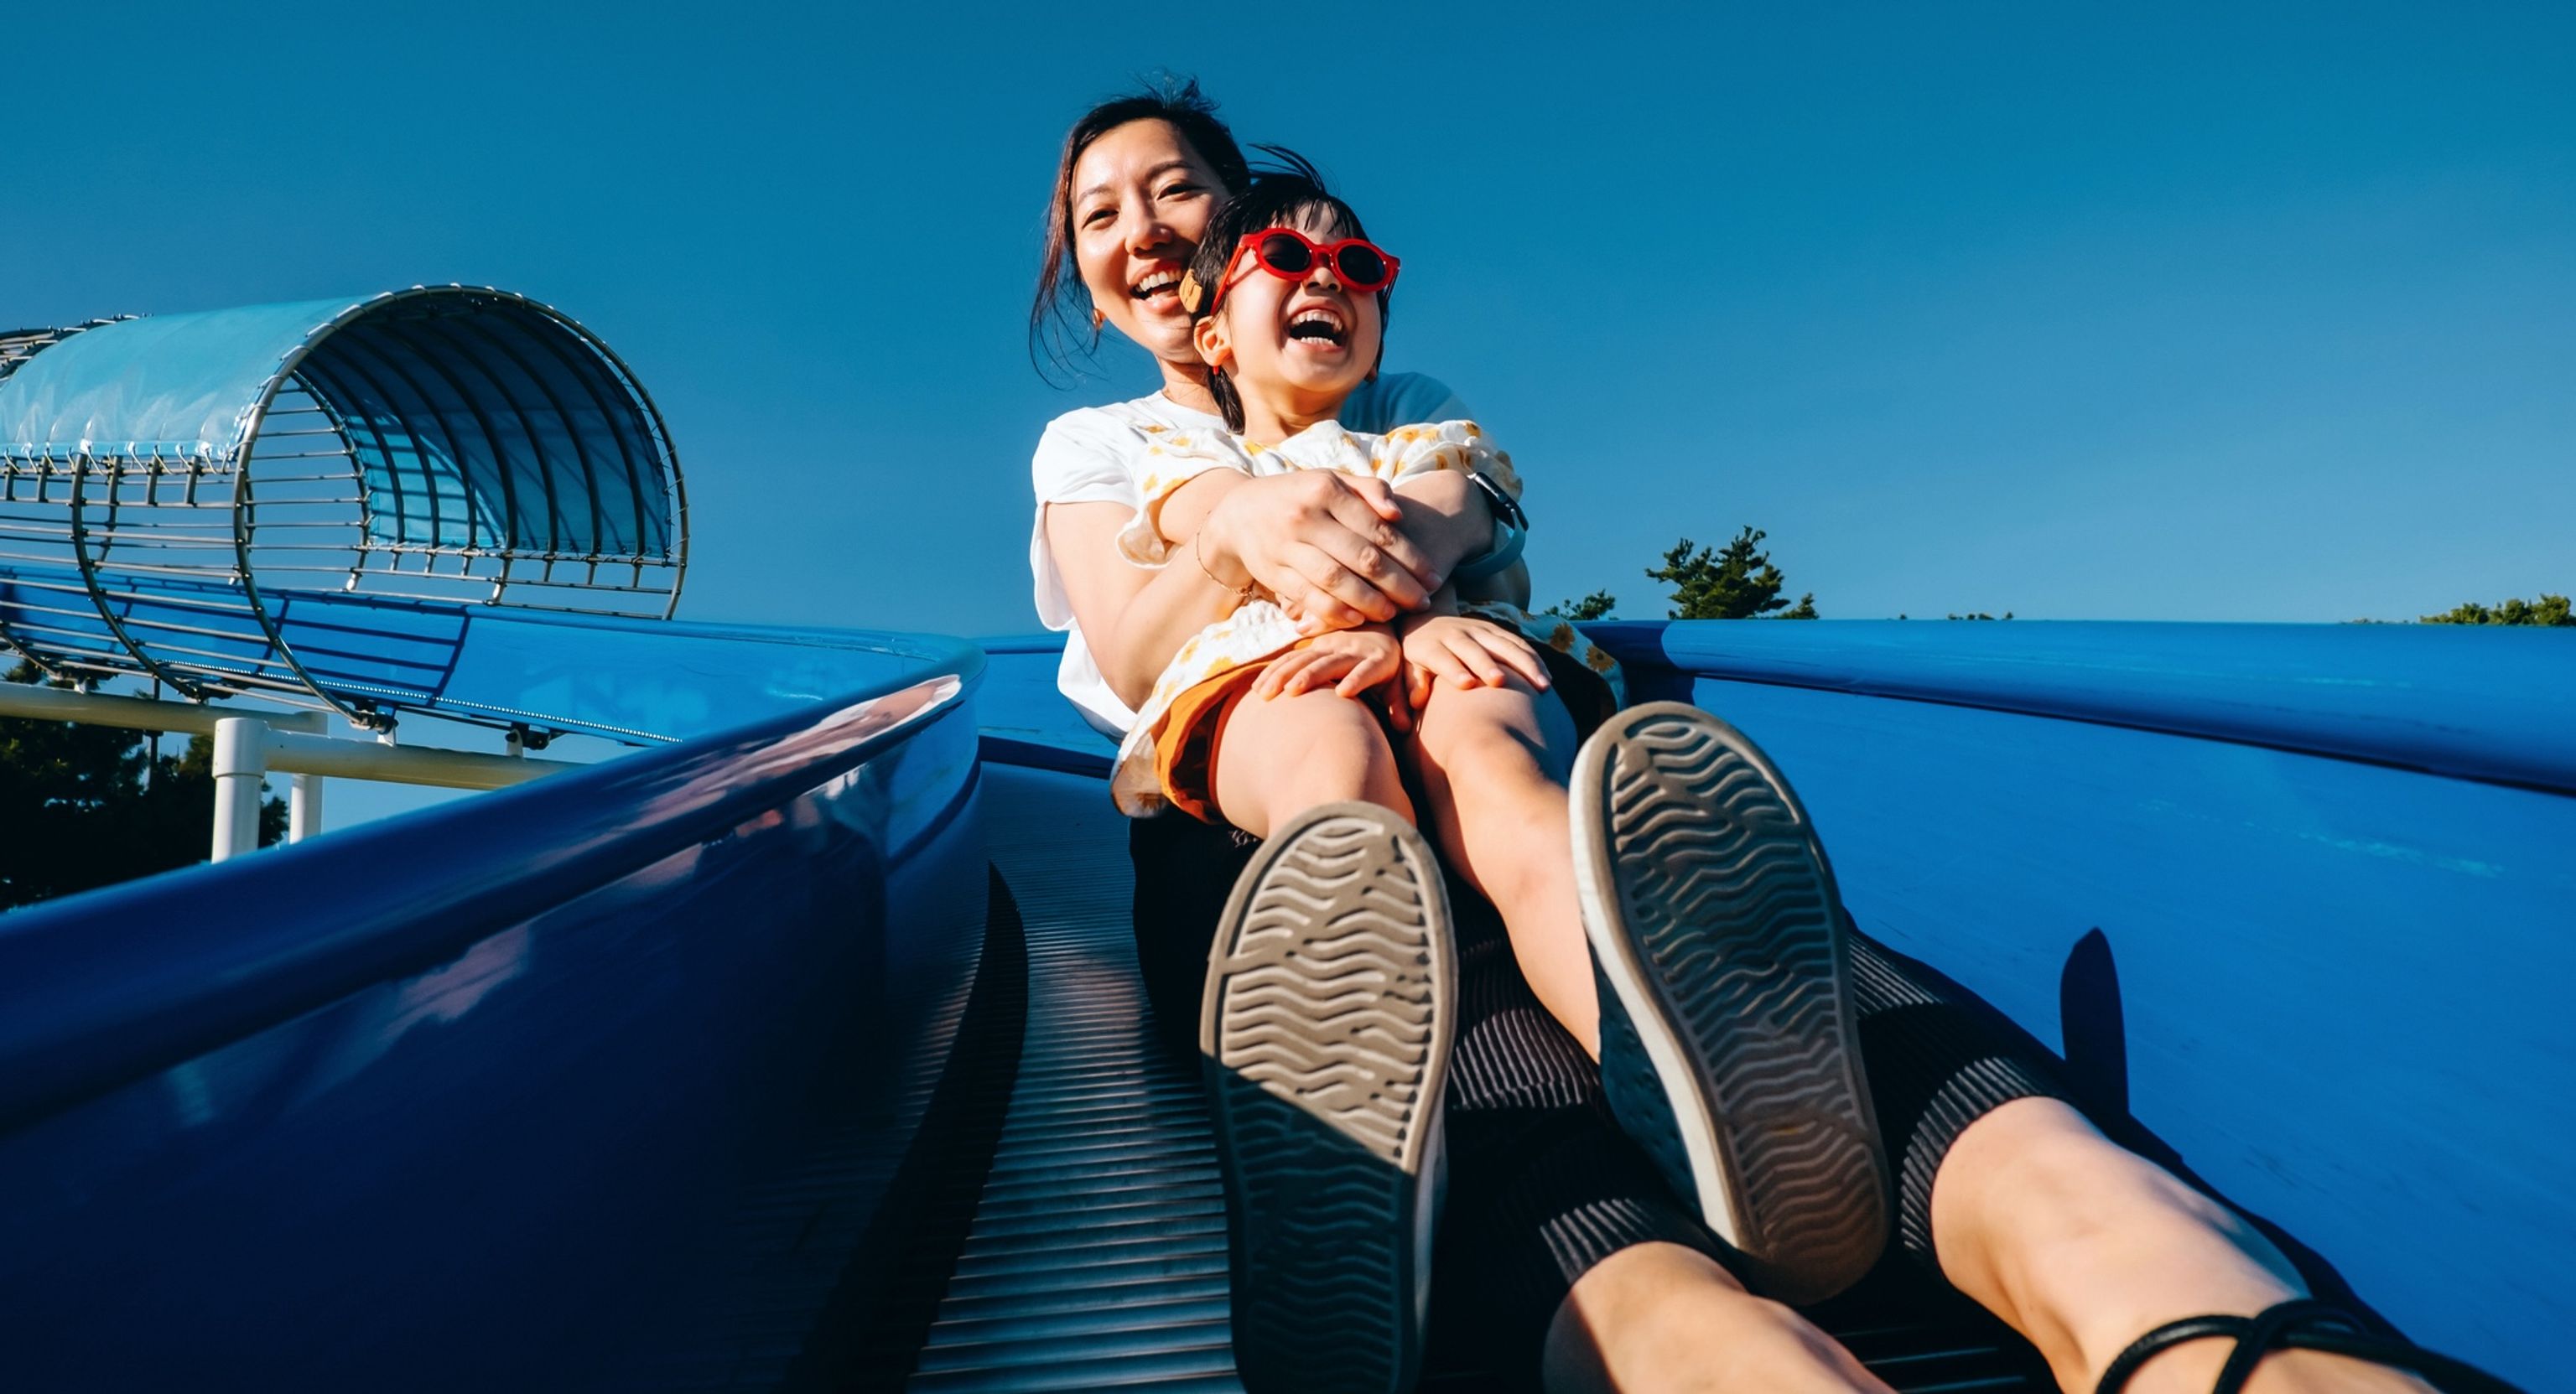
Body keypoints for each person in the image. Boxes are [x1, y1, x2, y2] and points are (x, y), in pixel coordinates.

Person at [1026, 80, 2514, 1394]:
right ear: (1122, 295)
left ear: (1232, 219)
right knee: (1437, 1018)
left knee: (1763, 979)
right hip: (1277, 820)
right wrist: (1233, 517)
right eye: (1103, 214)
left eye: (1179, 189)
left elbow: (1463, 512)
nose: (1148, 226)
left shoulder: (1401, 404)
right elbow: (1145, 646)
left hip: (1512, 759)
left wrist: (1405, 616)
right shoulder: (1114, 453)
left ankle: (2181, 1314)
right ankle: (1509, 1229)